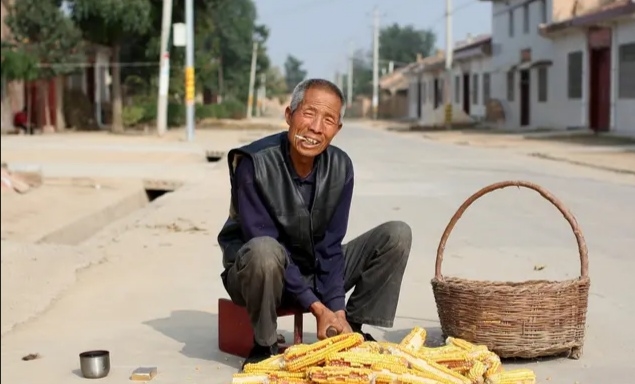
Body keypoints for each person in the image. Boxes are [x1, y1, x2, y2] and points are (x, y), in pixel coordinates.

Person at [217, 78, 412, 369]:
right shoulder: (254, 164)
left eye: (329, 119)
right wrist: (318, 307)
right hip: (261, 275)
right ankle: (264, 342)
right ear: (289, 115)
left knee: (396, 234)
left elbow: (330, 246)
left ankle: (350, 329)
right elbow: (263, 243)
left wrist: (337, 310)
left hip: (313, 272)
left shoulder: (341, 166)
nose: (316, 128)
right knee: (264, 251)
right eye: (309, 113)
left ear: (337, 129)